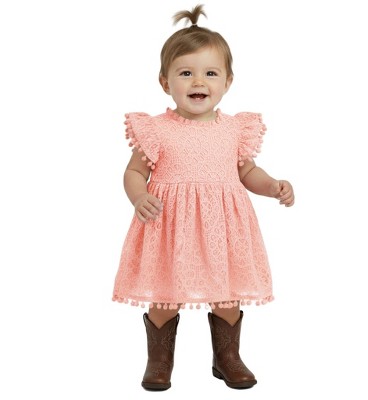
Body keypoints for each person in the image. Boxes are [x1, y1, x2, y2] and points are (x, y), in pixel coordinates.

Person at [112, 4, 295, 391]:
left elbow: (247, 172)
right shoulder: (156, 129)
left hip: (221, 229)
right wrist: (139, 196)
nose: (199, 81)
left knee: (227, 296)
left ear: (227, 81)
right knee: (165, 297)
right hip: (169, 227)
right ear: (165, 82)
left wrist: (272, 185)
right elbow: (134, 172)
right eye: (186, 73)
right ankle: (159, 360)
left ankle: (227, 357)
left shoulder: (234, 129)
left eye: (210, 73)